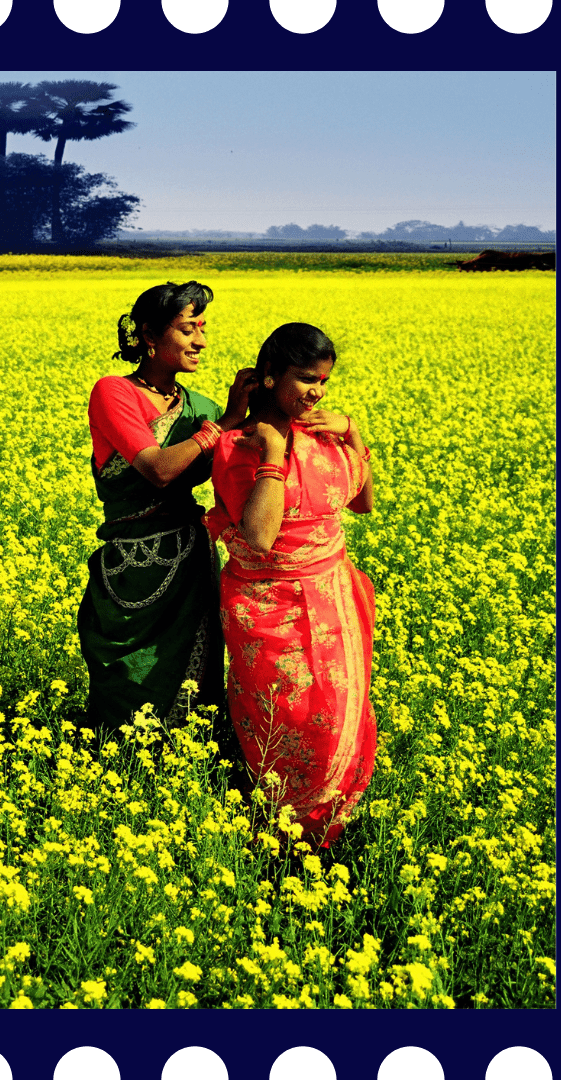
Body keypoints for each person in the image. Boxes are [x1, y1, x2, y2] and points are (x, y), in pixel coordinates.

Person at [205, 323, 376, 847]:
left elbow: (363, 503)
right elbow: (258, 535)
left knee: (339, 713)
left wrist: (353, 433)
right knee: (289, 718)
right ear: (271, 376)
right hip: (266, 606)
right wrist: (274, 454)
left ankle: (331, 832)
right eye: (306, 379)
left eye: (323, 381)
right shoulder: (238, 446)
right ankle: (281, 836)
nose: (316, 392)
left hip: (334, 600)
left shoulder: (325, 436)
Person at [77, 280, 256, 733]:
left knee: (196, 679)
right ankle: (121, 768)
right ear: (150, 337)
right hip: (132, 565)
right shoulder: (114, 392)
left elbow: (248, 447)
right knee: (128, 678)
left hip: (190, 559)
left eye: (203, 328)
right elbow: (156, 469)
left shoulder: (199, 407)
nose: (201, 341)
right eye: (187, 329)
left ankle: (189, 763)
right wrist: (226, 423)